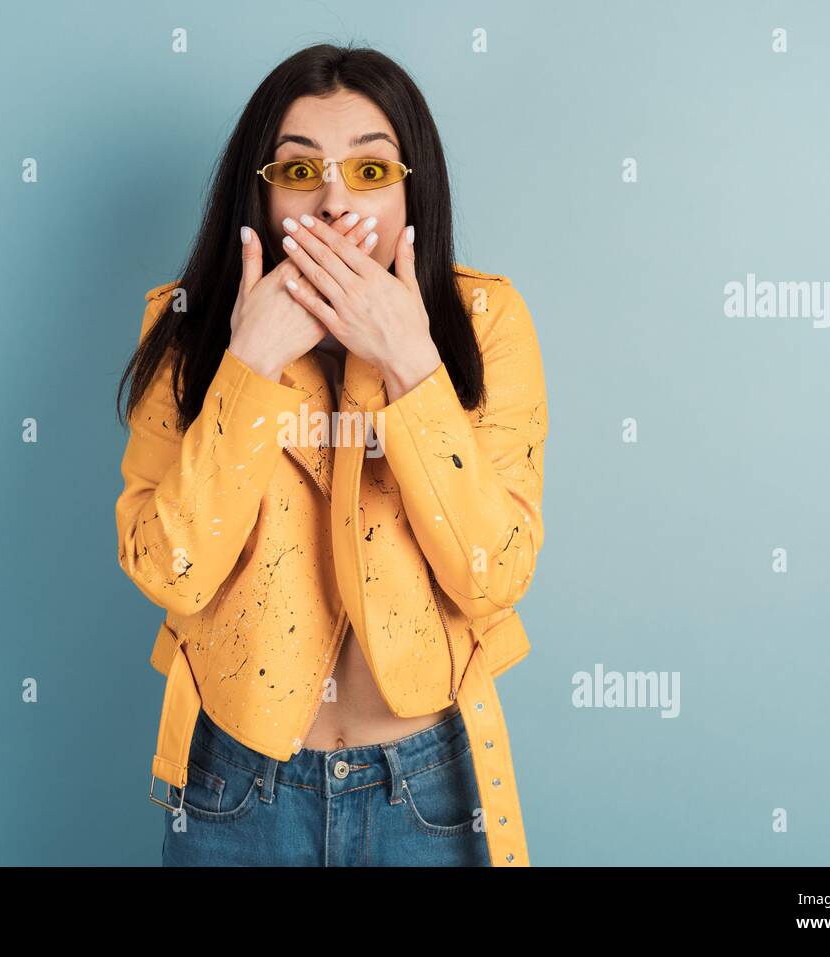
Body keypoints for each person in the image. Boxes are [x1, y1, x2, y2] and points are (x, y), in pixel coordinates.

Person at [115, 42, 548, 866]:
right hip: (236, 785)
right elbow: (171, 568)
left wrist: (412, 364)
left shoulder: (486, 324)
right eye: (300, 171)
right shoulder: (187, 333)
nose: (335, 199)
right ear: (262, 188)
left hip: (429, 788)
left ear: (415, 186)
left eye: (372, 172)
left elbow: (495, 573)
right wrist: (249, 366)